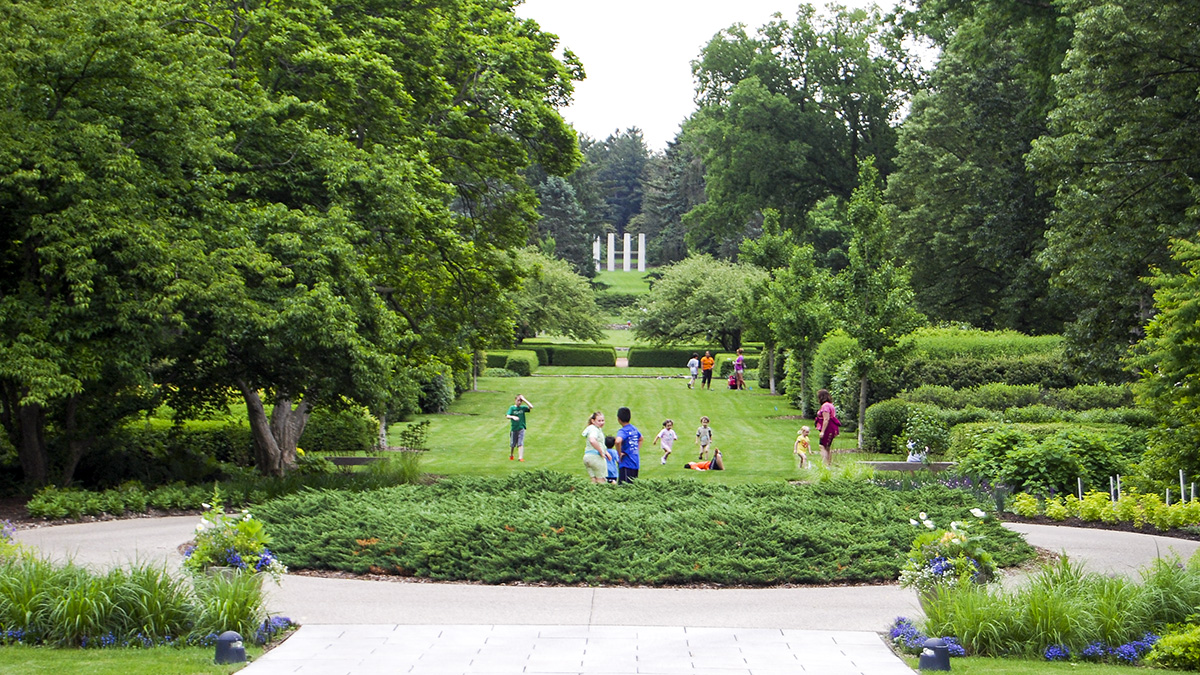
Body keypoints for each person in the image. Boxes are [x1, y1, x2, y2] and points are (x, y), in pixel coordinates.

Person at [581, 411, 611, 484]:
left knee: (594, 481)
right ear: (593, 421)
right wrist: (601, 452)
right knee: (601, 481)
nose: (601, 423)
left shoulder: (591, 428)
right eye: (599, 421)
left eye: (603, 420)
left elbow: (599, 442)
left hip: (587, 457)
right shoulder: (594, 429)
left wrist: (606, 452)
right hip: (596, 457)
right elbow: (592, 440)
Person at [614, 406, 642, 484]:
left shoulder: (623, 431)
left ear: (618, 419)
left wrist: (619, 454)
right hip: (635, 462)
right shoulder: (634, 429)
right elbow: (641, 438)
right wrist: (636, 449)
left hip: (626, 464)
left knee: (624, 487)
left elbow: (617, 441)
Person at [814, 389, 839, 468]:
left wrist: (822, 431)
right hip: (832, 428)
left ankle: (825, 465)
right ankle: (828, 465)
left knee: (822, 446)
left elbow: (826, 419)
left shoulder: (825, 406)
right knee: (827, 447)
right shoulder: (831, 405)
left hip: (828, 428)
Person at [505, 394, 533, 461]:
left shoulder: (522, 408)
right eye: (518, 400)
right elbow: (507, 416)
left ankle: (520, 457)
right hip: (514, 428)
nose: (519, 402)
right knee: (513, 444)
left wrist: (524, 399)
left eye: (520, 401)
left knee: (520, 443)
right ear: (515, 400)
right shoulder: (512, 408)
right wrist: (513, 417)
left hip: (521, 427)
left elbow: (531, 407)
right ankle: (511, 455)